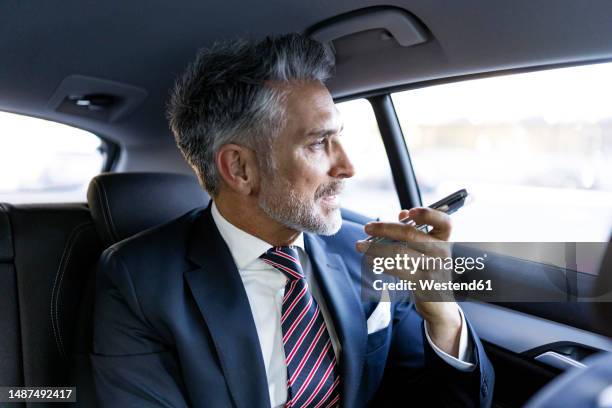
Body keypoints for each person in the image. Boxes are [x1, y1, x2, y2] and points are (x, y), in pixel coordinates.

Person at [91, 33, 494, 407]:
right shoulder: (137, 280)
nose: (348, 167)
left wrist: (441, 311)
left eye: (338, 138)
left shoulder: (371, 254)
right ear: (240, 168)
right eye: (319, 143)